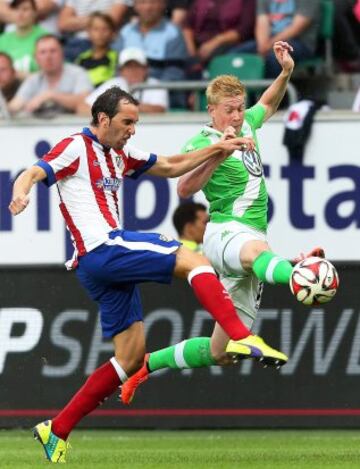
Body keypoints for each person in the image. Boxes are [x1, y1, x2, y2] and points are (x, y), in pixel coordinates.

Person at [9, 86, 287, 462]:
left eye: (136, 122)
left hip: (98, 269)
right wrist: (21, 193)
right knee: (196, 261)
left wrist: (219, 148)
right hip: (103, 248)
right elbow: (33, 172)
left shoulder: (120, 152)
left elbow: (171, 166)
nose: (132, 130)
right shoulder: (76, 146)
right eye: (127, 122)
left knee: (129, 359)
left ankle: (56, 430)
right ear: (103, 119)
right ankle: (239, 336)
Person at [120, 41, 325, 406]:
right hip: (224, 231)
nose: (236, 115)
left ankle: (146, 365)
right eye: (229, 110)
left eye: (239, 108)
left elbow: (268, 104)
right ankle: (295, 274)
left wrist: (286, 73)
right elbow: (184, 187)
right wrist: (219, 152)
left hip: (250, 238)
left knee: (221, 351)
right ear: (211, 110)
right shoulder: (203, 140)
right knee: (256, 252)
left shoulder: (247, 124)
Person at [8, 34, 93, 115]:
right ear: (36, 58)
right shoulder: (33, 79)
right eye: (42, 52)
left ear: (62, 54)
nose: (48, 57)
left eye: (53, 51)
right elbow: (15, 105)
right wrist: (9, 109)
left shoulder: (78, 73)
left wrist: (51, 95)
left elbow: (86, 103)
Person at [231, 0, 320, 78]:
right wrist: (262, 46)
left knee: (274, 58)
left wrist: (269, 45)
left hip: (299, 42)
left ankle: (272, 95)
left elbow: (297, 28)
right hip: (268, 42)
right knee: (234, 55)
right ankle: (242, 94)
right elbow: (262, 22)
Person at [77, 47, 168, 115]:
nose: (133, 71)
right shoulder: (115, 83)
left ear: (146, 69)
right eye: (128, 67)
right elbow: (82, 108)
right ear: (121, 71)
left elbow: (159, 110)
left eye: (137, 66)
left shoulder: (156, 84)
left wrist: (119, 107)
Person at [183, 0, 256, 66]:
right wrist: (191, 51)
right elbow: (187, 26)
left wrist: (214, 43)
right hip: (199, 44)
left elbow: (244, 29)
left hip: (229, 43)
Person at [58, 0, 131, 62]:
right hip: (76, 42)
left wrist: (76, 21)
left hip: (107, 41)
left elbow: (112, 20)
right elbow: (63, 23)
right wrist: (97, 22)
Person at [0, 0, 48, 76]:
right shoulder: (2, 40)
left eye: (25, 9)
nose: (20, 14)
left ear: (34, 13)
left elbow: (51, 74)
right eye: (16, 9)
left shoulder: (46, 39)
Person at [75, 11, 118, 88]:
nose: (100, 33)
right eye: (96, 29)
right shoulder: (81, 58)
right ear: (88, 32)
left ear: (112, 33)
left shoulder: (116, 57)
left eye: (105, 29)